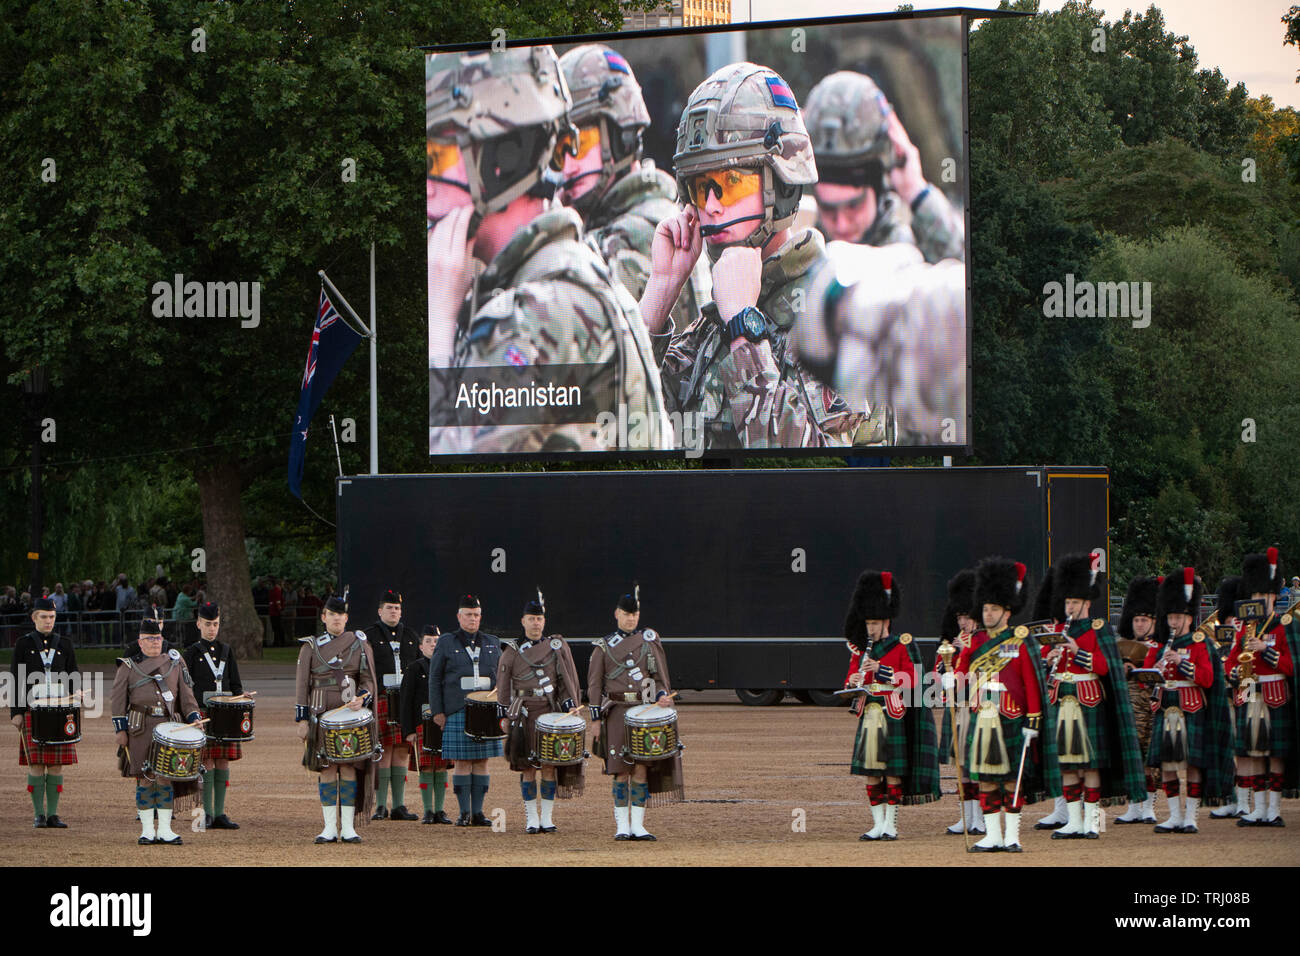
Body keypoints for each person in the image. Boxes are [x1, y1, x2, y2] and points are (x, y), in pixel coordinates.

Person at [425, 45, 670, 454]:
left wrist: (438, 328)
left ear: (503, 159)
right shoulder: (556, 276)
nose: (426, 181)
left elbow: (443, 487)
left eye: (438, 155)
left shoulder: (539, 311)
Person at [639, 62, 887, 450]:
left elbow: (817, 472)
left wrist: (743, 331)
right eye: (702, 186)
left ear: (782, 183)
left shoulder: (839, 319)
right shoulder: (708, 329)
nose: (712, 206)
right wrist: (660, 293)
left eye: (731, 182)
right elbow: (611, 427)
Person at [559, 44, 711, 343]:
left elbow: (573, 347)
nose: (566, 166)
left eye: (580, 143)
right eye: (558, 148)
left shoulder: (641, 232)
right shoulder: (638, 213)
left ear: (622, 135)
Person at [955, 557, 1062, 852]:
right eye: (985, 608)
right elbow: (963, 677)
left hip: (1013, 718)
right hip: (982, 716)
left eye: (993, 609)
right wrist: (955, 667)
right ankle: (992, 835)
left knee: (1012, 780)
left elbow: (1030, 683)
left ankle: (1012, 835)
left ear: (1007, 610)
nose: (988, 614)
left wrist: (1033, 720)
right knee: (986, 780)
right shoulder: (974, 642)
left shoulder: (1020, 639)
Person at [802, 70, 964, 263]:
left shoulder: (912, 258)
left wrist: (915, 192)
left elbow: (962, 273)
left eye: (854, 206)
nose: (842, 225)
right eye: (828, 209)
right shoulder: (805, 263)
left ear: (879, 188)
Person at [1040, 553, 1146, 839]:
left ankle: (1094, 822)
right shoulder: (1060, 630)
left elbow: (1106, 667)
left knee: (1091, 764)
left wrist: (1077, 652)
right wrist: (1050, 658)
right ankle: (1074, 821)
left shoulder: (1097, 629)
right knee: (1068, 764)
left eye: (1074, 602)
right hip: (1063, 700)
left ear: (1087, 603)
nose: (1070, 607)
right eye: (1068, 602)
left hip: (1090, 701)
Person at [842, 570, 940, 840]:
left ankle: (891, 825)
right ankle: (876, 825)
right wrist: (854, 682)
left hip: (893, 713)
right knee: (872, 772)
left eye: (874, 623)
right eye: (867, 623)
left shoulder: (902, 644)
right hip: (870, 712)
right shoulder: (862, 649)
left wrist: (881, 669)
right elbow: (850, 679)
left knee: (893, 773)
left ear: (886, 621)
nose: (869, 628)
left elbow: (914, 679)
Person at [587, 586, 683, 840]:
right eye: (627, 614)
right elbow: (595, 686)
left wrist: (662, 694)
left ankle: (638, 825)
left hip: (644, 712)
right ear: (616, 614)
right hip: (616, 712)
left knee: (641, 769)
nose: (631, 618)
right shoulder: (604, 646)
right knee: (620, 770)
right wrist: (595, 719)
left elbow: (659, 678)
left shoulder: (649, 642)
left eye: (635, 614)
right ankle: (622, 825)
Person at [1143, 568, 1234, 834]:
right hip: (1166, 703)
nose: (1173, 622)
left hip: (1191, 706)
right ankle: (1174, 816)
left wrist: (1183, 662)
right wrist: (1158, 666)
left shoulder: (1200, 643)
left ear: (1189, 617)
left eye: (1178, 617)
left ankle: (1191, 816)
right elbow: (1146, 677)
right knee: (1168, 765)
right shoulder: (1161, 644)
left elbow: (1207, 679)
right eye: (1170, 617)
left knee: (1193, 763)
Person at [497, 590, 585, 833]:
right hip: (524, 714)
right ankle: (531, 819)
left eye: (539, 619)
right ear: (523, 621)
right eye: (531, 619)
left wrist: (570, 706)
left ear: (544, 622)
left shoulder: (554, 647)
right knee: (527, 767)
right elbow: (503, 686)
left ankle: (546, 818)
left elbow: (564, 681)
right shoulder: (512, 651)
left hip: (549, 712)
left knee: (548, 766)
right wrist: (503, 715)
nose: (536, 623)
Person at [111, 618, 202, 845]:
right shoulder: (128, 666)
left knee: (165, 778)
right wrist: (120, 730)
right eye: (150, 639)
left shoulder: (175, 662)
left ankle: (165, 829)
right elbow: (117, 701)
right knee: (145, 778)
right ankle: (146, 830)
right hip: (140, 727)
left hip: (170, 726)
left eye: (158, 638)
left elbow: (187, 697)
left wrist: (195, 717)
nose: (155, 643)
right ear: (140, 643)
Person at [295, 594, 377, 844]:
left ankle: (349, 827)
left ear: (346, 617)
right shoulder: (310, 646)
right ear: (324, 618)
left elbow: (368, 680)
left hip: (350, 712)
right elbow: (301, 685)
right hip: (321, 712)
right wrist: (302, 719)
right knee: (327, 766)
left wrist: (362, 698)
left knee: (349, 765)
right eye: (332, 614)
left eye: (341, 615)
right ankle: (329, 826)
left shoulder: (359, 642)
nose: (337, 618)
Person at [1228, 549, 1297, 826]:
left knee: (1275, 754)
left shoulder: (1284, 626)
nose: (1259, 600)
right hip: (1249, 692)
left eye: (1264, 596)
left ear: (1273, 597)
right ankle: (1258, 809)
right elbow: (1231, 660)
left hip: (1276, 695)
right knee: (1254, 752)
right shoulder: (1245, 627)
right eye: (1255, 595)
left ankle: (1274, 809)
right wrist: (1231, 671)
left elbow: (1292, 666)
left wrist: (1266, 649)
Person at [428, 594, 503, 826]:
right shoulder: (446, 642)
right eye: (469, 615)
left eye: (477, 615)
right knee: (462, 761)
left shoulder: (492, 642)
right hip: (458, 709)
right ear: (459, 616)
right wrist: (438, 712)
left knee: (482, 761)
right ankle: (464, 812)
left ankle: (478, 812)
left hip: (487, 710)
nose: (473, 619)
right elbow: (435, 678)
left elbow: (501, 677)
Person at [9, 596, 80, 828]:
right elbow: (15, 679)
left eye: (51, 617)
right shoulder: (24, 644)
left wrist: (75, 700)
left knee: (56, 765)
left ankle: (53, 814)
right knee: (36, 764)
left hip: (60, 712)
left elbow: (73, 676)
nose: (48, 621)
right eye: (44, 617)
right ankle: (38, 814)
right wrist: (16, 712)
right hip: (33, 711)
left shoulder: (65, 644)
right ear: (34, 618)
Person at [181, 602, 244, 830]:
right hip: (202, 713)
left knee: (223, 761)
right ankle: (206, 813)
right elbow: (185, 688)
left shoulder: (227, 651)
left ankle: (220, 813)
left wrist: (241, 700)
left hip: (226, 713)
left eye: (215, 624)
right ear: (198, 624)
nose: (212, 629)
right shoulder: (190, 653)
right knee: (206, 761)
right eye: (208, 624)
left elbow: (236, 685)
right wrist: (191, 714)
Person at [362, 589, 421, 821]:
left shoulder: (411, 635)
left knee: (403, 750)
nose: (393, 611)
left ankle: (398, 805)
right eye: (389, 608)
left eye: (397, 608)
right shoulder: (369, 636)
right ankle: (380, 805)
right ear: (380, 611)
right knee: (383, 751)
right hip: (383, 698)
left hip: (405, 699)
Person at [934, 568, 984, 836]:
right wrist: (946, 668)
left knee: (978, 763)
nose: (963, 622)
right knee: (961, 764)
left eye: (966, 617)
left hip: (979, 706)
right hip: (958, 706)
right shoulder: (951, 643)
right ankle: (967, 817)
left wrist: (967, 652)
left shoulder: (984, 642)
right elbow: (939, 673)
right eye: (960, 617)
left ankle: (982, 817)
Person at [1113, 575, 1164, 824]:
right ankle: (1134, 806)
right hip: (1131, 708)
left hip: (1154, 705)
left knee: (1150, 758)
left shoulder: (1163, 645)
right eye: (1136, 620)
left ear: (1154, 620)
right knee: (1132, 758)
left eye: (1144, 620)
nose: (1140, 624)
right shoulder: (1122, 645)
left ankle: (1149, 807)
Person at [400, 626, 455, 824]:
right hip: (421, 726)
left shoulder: (448, 667)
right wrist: (408, 730)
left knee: (441, 769)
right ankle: (428, 811)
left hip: (443, 724)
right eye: (429, 641)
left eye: (436, 641)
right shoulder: (414, 668)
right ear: (421, 646)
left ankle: (440, 811)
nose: (433, 644)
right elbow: (405, 701)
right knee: (426, 769)